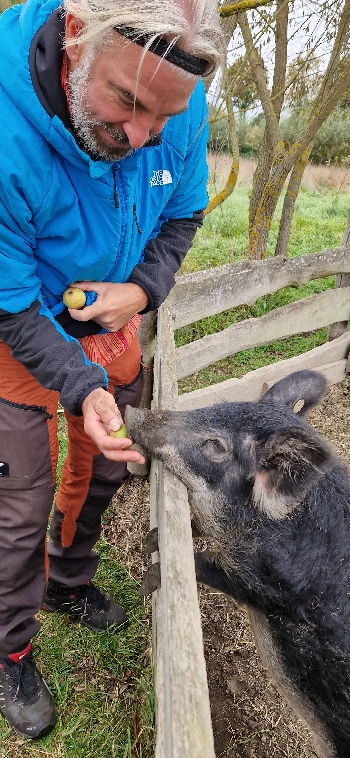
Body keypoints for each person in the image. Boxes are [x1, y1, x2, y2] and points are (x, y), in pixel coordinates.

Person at [0, 0, 223, 740]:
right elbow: (9, 305)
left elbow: (182, 215)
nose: (139, 138)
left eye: (160, 123)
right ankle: (11, 650)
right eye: (126, 104)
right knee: (21, 502)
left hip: (107, 317)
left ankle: (69, 578)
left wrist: (141, 289)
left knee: (100, 466)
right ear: (75, 36)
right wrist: (77, 381)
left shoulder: (176, 103)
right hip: (19, 325)